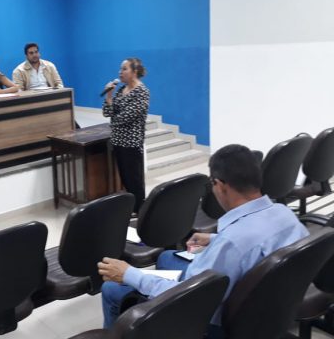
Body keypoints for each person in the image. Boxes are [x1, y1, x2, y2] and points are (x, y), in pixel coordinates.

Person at [98, 144, 309, 337]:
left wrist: (130, 274)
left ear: (220, 185)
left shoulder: (232, 243)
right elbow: (256, 244)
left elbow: (192, 296)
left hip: (217, 320)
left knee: (111, 289)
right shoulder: (285, 215)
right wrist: (215, 239)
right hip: (267, 307)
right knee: (167, 257)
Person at [102, 58, 150, 212]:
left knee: (135, 181)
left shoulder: (141, 92)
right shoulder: (121, 89)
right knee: (125, 179)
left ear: (134, 72)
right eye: (120, 69)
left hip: (131, 144)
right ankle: (131, 209)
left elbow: (124, 118)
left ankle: (140, 211)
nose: (120, 72)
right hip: (118, 142)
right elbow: (107, 112)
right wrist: (109, 96)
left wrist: (113, 119)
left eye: (124, 69)